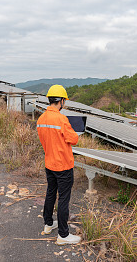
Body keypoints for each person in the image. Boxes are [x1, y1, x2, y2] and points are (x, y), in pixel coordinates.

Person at [36, 85, 81, 245]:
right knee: (63, 199)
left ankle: (48, 224)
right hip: (63, 165)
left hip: (49, 164)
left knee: (50, 193)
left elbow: (46, 140)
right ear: (61, 101)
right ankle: (63, 235)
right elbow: (74, 139)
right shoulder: (62, 119)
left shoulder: (41, 119)